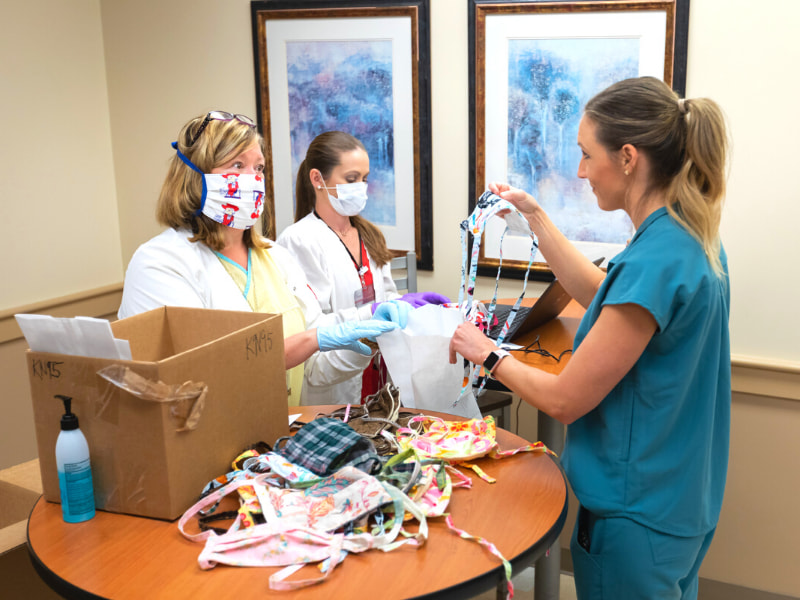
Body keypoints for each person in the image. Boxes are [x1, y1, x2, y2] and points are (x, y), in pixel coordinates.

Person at [449, 77, 730, 600]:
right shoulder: (688, 238)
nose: (580, 171)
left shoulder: (655, 258)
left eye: (585, 155)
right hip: (681, 500)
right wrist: (535, 218)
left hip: (636, 515)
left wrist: (484, 351)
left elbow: (565, 399)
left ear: (627, 157)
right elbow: (609, 295)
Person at [118, 111, 410, 407]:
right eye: (237, 165)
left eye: (258, 168)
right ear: (195, 176)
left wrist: (364, 340)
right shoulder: (159, 263)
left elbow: (313, 370)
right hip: (211, 439)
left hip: (285, 433)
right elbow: (197, 377)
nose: (253, 180)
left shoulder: (276, 258)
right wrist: (312, 340)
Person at [277, 131, 448, 404]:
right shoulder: (299, 240)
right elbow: (312, 329)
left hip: (378, 371)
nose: (360, 187)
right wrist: (369, 317)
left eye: (365, 179)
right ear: (317, 179)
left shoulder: (369, 234)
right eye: (351, 179)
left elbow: (386, 298)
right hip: (335, 377)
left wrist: (409, 307)